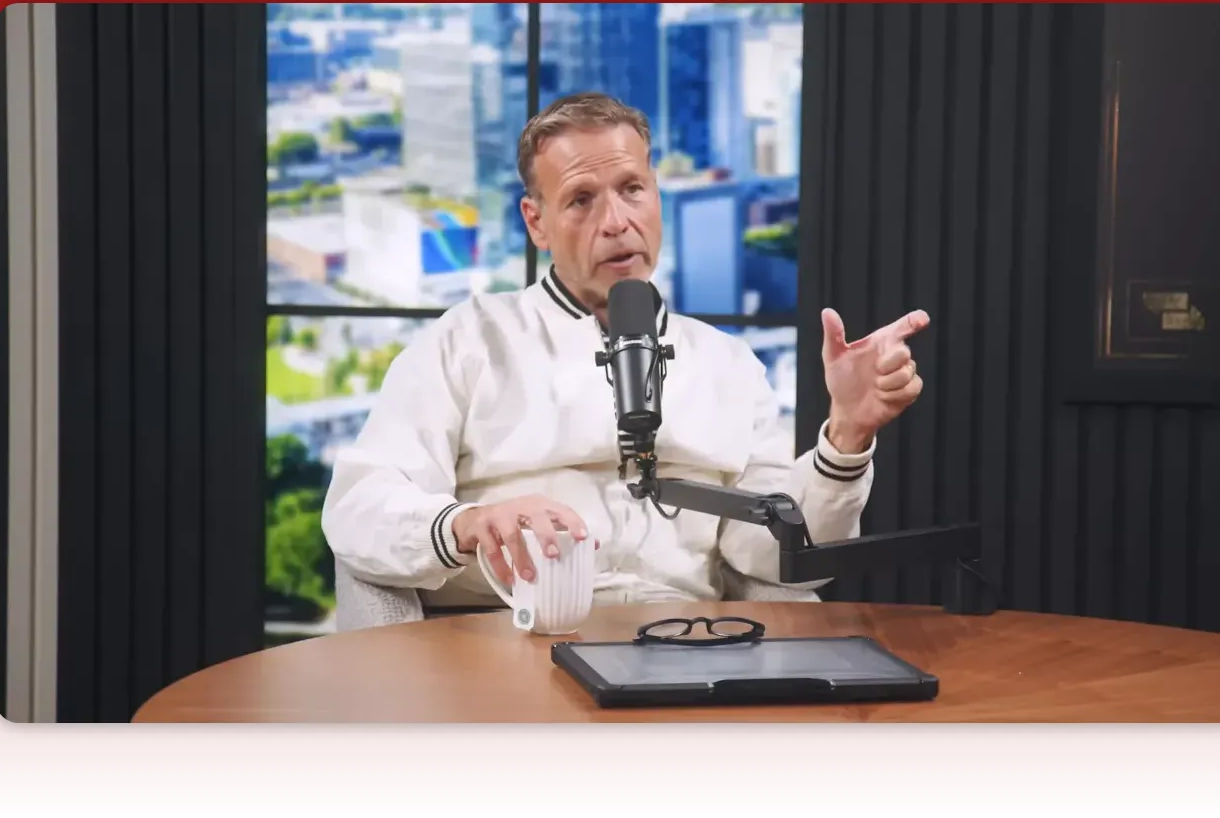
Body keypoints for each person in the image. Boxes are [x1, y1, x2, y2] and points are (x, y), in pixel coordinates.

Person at [322, 92, 928, 609]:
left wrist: (846, 437)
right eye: (582, 200)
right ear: (536, 222)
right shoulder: (468, 340)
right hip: (504, 642)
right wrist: (465, 524)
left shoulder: (728, 365)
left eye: (632, 189)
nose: (616, 221)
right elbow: (359, 508)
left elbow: (777, 558)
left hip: (684, 647)